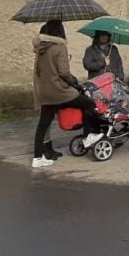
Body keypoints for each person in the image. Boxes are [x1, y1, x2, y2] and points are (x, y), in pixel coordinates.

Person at [31, 20, 105, 168]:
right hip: (60, 91)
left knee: (43, 124)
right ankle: (87, 136)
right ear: (59, 31)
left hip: (46, 92)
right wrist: (74, 81)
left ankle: (38, 157)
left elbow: (39, 71)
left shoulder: (40, 49)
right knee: (88, 103)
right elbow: (64, 72)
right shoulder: (59, 47)